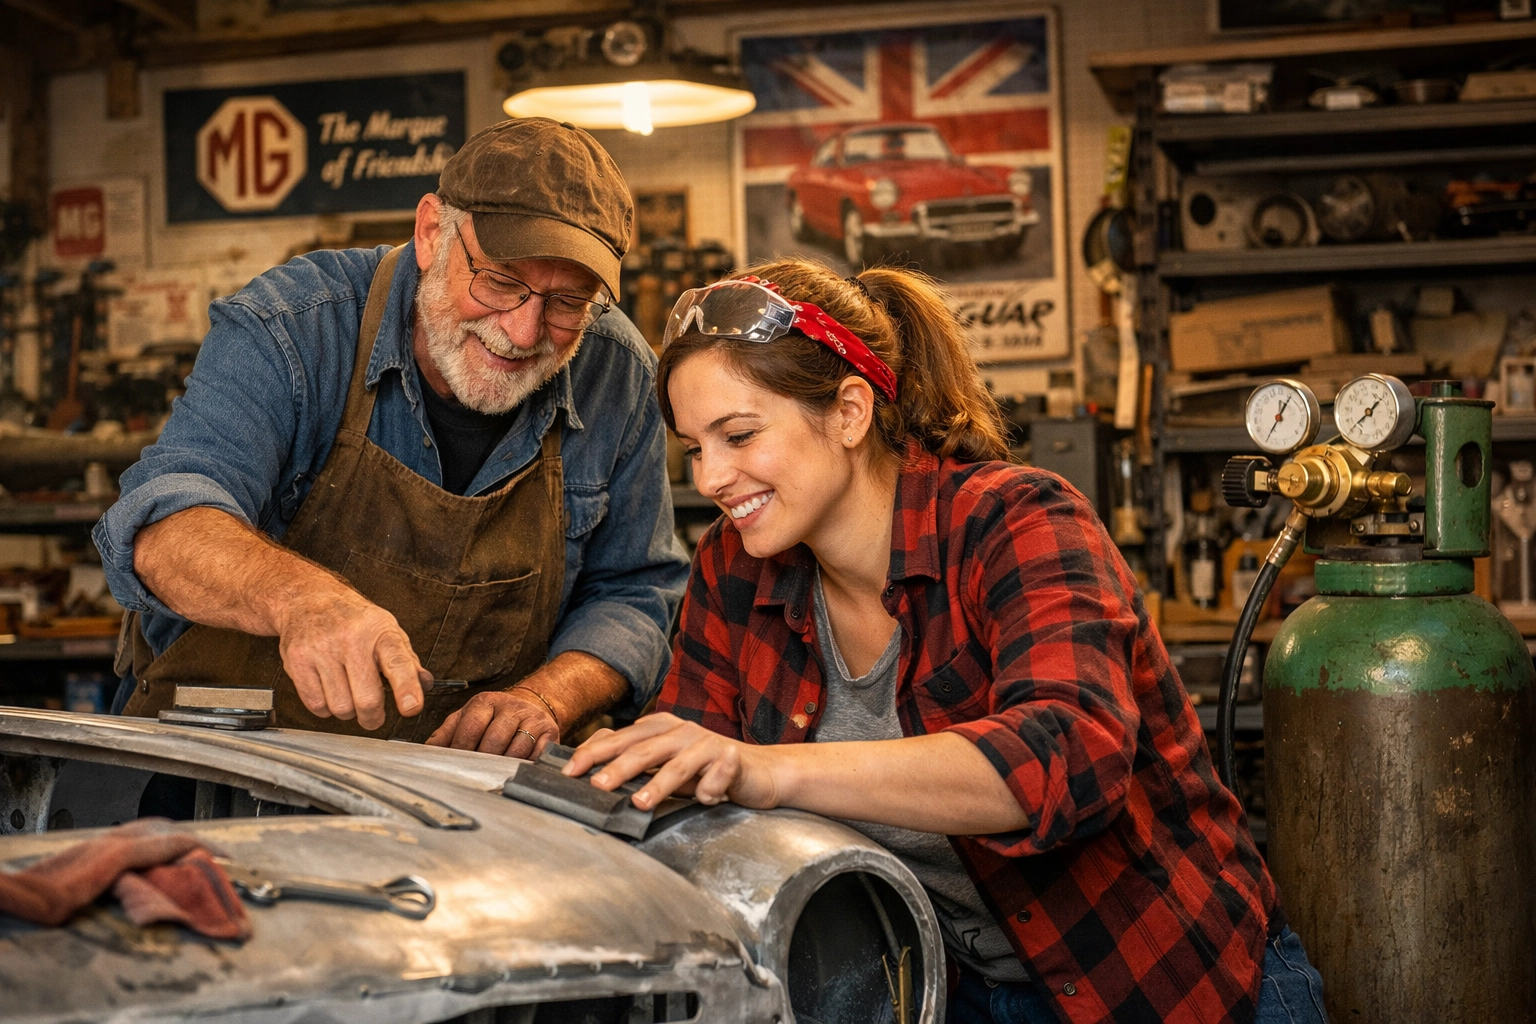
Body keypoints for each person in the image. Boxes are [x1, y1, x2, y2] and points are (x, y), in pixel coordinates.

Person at [563, 260, 1328, 1024]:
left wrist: (764, 771)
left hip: (1164, 981)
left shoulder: (1019, 521)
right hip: (949, 986)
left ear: (851, 412)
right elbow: (691, 795)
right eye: (695, 447)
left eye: (738, 435)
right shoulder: (734, 569)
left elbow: (1067, 757)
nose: (712, 477)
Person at [96, 118, 689, 756]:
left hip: (462, 795)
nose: (523, 332)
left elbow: (636, 589)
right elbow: (165, 524)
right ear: (432, 232)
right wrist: (301, 600)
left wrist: (549, 696)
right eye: (500, 281)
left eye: (568, 301)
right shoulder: (294, 328)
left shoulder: (618, 370)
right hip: (228, 768)